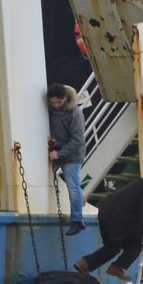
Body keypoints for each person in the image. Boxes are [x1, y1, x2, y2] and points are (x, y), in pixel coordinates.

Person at [74, 170, 143, 282]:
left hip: (108, 212)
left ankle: (84, 264)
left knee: (112, 247)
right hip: (115, 217)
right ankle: (116, 267)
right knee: (136, 244)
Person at [46, 83, 86, 235]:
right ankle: (82, 197)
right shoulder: (50, 109)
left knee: (72, 187)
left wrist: (59, 154)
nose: (56, 105)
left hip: (73, 155)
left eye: (59, 102)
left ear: (65, 98)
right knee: (74, 184)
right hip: (58, 149)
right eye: (53, 102)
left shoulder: (75, 113)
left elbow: (78, 140)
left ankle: (77, 221)